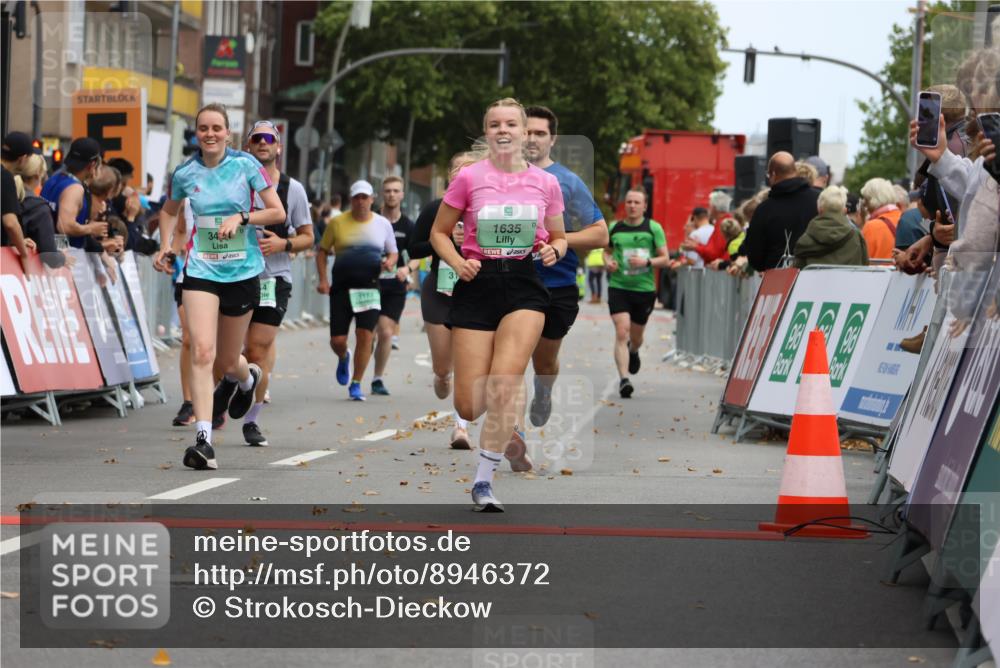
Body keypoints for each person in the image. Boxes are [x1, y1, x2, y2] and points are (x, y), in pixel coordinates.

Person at [429, 97, 567, 512]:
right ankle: (500, 426)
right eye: (494, 124)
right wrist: (457, 262)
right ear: (486, 132)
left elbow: (559, 236)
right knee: (469, 404)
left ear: (525, 132)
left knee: (505, 383)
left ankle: (484, 481)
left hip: (524, 284)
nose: (503, 130)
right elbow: (439, 232)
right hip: (478, 282)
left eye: (511, 124)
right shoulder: (469, 178)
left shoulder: (547, 184)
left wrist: (555, 251)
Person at [153, 103, 286, 471]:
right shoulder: (185, 172)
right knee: (201, 350)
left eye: (216, 128)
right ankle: (204, 440)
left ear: (228, 133)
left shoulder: (246, 167)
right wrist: (165, 245)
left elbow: (277, 212)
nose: (209, 134)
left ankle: (248, 378)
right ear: (196, 134)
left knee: (229, 361)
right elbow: (168, 210)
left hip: (242, 273)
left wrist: (242, 216)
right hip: (201, 270)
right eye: (203, 129)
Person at [227, 120, 314, 445]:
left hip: (273, 278)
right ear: (248, 146)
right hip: (234, 275)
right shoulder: (236, 184)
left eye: (269, 139)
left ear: (278, 147)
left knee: (257, 347)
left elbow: (308, 237)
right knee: (228, 351)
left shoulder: (293, 189)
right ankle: (233, 388)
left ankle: (252, 420)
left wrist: (283, 244)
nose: (263, 143)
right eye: (256, 139)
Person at [522, 105, 608, 432]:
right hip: (510, 281)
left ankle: (543, 392)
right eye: (527, 131)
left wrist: (560, 241)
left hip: (555, 285)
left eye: (540, 133)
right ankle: (508, 430)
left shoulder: (567, 182)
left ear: (552, 139)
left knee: (543, 362)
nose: (532, 138)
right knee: (510, 361)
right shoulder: (498, 177)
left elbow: (601, 234)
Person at [409, 153, 478, 449]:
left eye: (470, 169)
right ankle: (441, 375)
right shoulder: (437, 208)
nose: (463, 173)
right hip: (439, 291)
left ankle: (461, 428)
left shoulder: (484, 210)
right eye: (458, 169)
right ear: (450, 176)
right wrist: (445, 240)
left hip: (474, 292)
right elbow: (413, 248)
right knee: (444, 368)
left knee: (466, 364)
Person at [316, 180, 397, 402]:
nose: (361, 202)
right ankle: (343, 357)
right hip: (341, 288)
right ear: (351, 200)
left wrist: (390, 262)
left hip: (369, 287)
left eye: (365, 197)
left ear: (372, 199)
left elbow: (393, 252)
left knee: (365, 336)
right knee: (338, 340)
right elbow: (322, 252)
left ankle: (357, 382)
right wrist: (323, 279)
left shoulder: (382, 224)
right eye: (357, 197)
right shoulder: (337, 222)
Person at [604, 187, 670, 399]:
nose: (632, 206)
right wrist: (609, 262)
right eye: (629, 202)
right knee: (621, 331)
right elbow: (606, 251)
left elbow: (665, 258)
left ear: (644, 206)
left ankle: (633, 351)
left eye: (636, 202)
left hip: (643, 289)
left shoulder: (653, 228)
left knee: (636, 336)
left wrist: (647, 261)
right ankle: (624, 380)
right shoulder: (615, 227)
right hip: (619, 286)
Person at [372, 176, 418, 396]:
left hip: (395, 286)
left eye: (395, 191)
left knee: (386, 332)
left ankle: (377, 378)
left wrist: (407, 269)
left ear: (402, 195)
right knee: (366, 334)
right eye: (388, 191)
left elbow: (418, 256)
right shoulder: (371, 220)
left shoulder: (408, 226)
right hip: (369, 284)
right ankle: (357, 370)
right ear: (383, 194)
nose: (391, 194)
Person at [739, 151, 820, 271]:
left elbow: (755, 257)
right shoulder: (819, 200)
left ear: (773, 174)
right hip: (815, 277)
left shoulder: (764, 210)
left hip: (778, 282)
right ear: (795, 171)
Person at [792, 185, 869, 268]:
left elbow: (797, 271)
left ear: (819, 209)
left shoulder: (805, 239)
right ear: (845, 210)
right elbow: (864, 266)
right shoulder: (857, 237)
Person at [15, 153, 70, 269]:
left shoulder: (7, 197)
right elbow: (50, 256)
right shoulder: (40, 209)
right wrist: (63, 257)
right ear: (37, 176)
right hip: (26, 273)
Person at [1, 131, 36, 270]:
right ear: (22, 158)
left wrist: (19, 240)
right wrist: (24, 254)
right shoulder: (4, 177)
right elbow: (10, 223)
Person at [681, 191, 733, 265]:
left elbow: (713, 254)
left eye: (710, 207)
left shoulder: (722, 226)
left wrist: (696, 247)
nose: (709, 210)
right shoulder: (727, 222)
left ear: (714, 208)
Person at [859, 178, 901, 260]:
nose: (864, 203)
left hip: (877, 272)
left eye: (866, 199)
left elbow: (862, 261)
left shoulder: (871, 227)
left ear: (873, 200)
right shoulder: (905, 218)